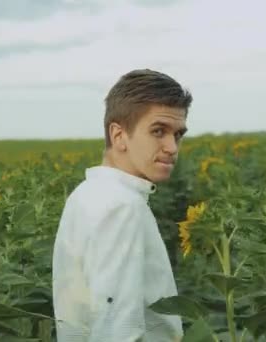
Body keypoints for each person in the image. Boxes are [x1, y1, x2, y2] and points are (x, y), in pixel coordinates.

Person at [52, 69, 193, 341]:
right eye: (158, 131)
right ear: (119, 136)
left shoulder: (86, 193)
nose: (172, 147)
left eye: (177, 135)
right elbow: (117, 327)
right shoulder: (122, 207)